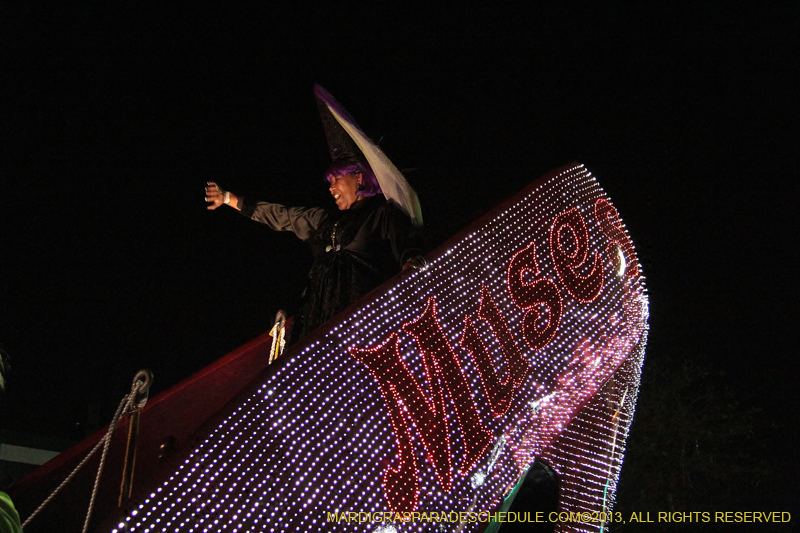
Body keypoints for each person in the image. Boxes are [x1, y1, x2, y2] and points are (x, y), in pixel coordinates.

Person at [205, 155, 423, 339]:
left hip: (367, 322)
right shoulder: (324, 221)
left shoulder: (381, 214)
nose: (331, 187)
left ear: (358, 179)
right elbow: (282, 216)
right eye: (329, 182)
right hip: (322, 326)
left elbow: (408, 249)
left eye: (337, 179)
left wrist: (411, 266)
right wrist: (229, 199)